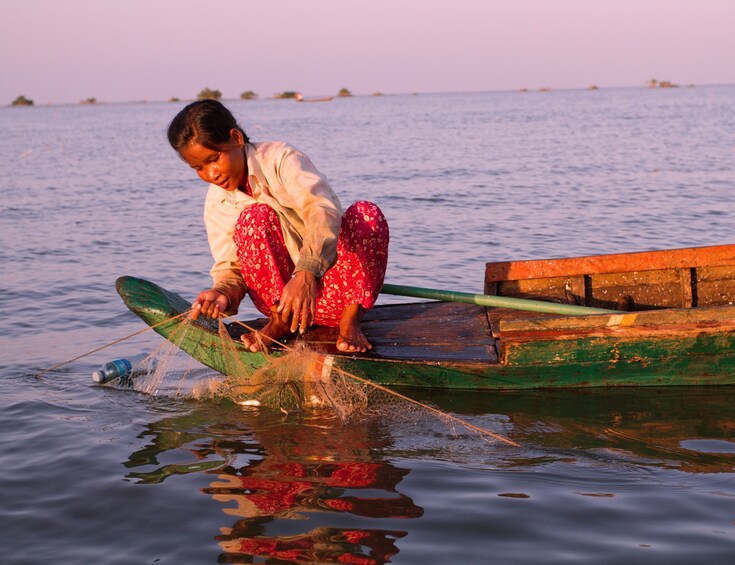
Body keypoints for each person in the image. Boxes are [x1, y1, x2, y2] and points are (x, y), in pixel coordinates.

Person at [167, 100, 389, 353]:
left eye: (214, 159)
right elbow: (230, 267)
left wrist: (306, 273)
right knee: (254, 217)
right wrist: (223, 293)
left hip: (334, 294)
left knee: (367, 213)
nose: (211, 174)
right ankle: (280, 322)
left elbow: (321, 210)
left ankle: (350, 323)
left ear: (236, 138)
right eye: (198, 168)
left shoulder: (280, 159)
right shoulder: (217, 202)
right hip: (285, 305)